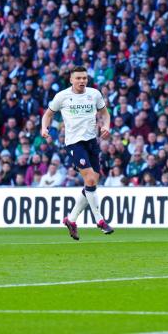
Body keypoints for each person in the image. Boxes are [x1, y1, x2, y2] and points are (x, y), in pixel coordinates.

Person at [41, 66, 115, 239]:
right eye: (78, 78)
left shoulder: (94, 94)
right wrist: (44, 128)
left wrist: (106, 126)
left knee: (92, 183)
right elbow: (48, 114)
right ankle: (100, 220)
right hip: (74, 143)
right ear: (71, 80)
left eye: (84, 78)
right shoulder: (62, 96)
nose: (82, 81)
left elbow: (105, 113)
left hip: (91, 142)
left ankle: (71, 219)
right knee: (89, 179)